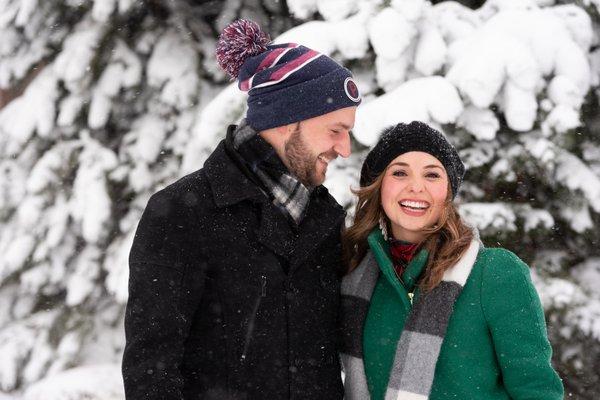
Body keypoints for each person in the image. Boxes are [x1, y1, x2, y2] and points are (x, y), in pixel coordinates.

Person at [122, 19, 361, 399]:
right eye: (335, 130)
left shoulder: (324, 218)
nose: (345, 148)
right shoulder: (183, 213)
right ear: (287, 121)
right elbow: (152, 368)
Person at [340, 121, 563, 400]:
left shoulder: (495, 273)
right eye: (399, 173)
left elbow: (537, 390)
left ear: (449, 191)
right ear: (378, 186)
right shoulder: (356, 277)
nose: (416, 187)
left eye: (432, 175)